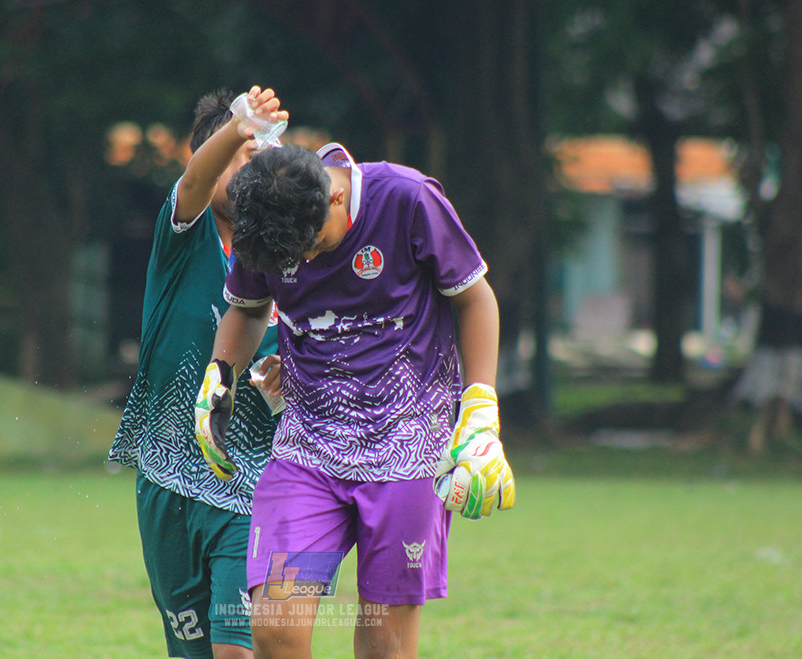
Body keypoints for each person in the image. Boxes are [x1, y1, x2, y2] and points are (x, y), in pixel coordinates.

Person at [194, 142, 515, 658]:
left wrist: (480, 413)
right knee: (275, 625)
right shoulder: (268, 220)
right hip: (307, 450)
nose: (306, 261)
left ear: (338, 196)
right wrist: (219, 376)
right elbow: (249, 309)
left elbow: (475, 298)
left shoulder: (408, 199)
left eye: (314, 245)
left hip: (407, 452)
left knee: (384, 643)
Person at [109, 86, 288, 659]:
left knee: (238, 649)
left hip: (251, 484)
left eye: (263, 159)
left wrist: (287, 391)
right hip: (165, 477)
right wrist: (236, 126)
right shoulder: (183, 239)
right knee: (193, 651)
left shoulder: (291, 261)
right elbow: (190, 184)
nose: (255, 174)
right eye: (243, 159)